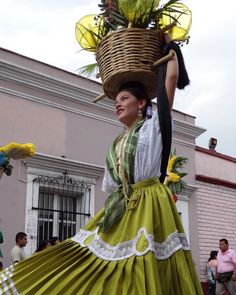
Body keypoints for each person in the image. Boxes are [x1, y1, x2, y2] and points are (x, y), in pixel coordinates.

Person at [0, 37, 203, 294]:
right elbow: (111, 187)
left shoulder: (153, 129)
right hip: (119, 209)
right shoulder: (115, 143)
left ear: (141, 104)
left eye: (124, 98)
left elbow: (170, 82)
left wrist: (171, 48)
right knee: (92, 263)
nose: (117, 103)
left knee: (145, 264)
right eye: (116, 100)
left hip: (149, 202)